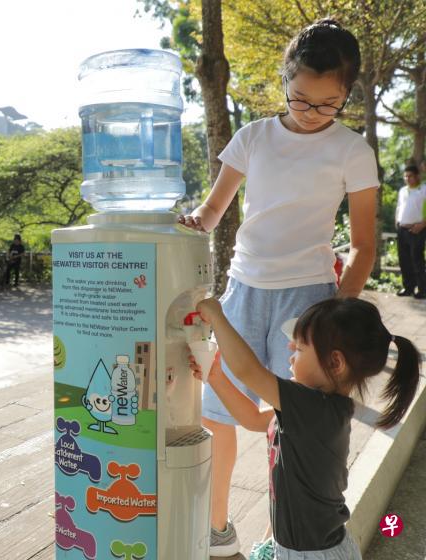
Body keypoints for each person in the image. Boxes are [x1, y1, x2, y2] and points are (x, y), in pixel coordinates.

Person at [178, 20, 379, 555]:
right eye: (300, 100)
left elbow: (362, 246)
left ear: (346, 95)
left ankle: (279, 537)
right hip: (244, 287)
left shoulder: (352, 150)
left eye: (328, 105)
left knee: (289, 423)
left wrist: (337, 312)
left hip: (307, 299)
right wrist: (192, 221)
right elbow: (214, 208)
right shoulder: (253, 137)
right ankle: (218, 529)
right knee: (217, 413)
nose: (312, 114)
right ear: (285, 82)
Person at [191, 296, 420, 560]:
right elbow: (252, 418)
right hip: (309, 549)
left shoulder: (313, 409)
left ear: (335, 363)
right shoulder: (319, 409)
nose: (289, 350)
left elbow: (248, 371)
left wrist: (218, 318)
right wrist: (216, 377)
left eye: (299, 349)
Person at [395, 164, 426, 298]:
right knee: (404, 260)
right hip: (402, 230)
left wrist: (422, 224)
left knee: (417, 260)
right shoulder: (402, 190)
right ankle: (408, 288)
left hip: (417, 230)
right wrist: (397, 222)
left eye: (410, 176)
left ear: (417, 176)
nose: (407, 178)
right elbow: (399, 208)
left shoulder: (423, 189)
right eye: (405, 176)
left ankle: (422, 290)